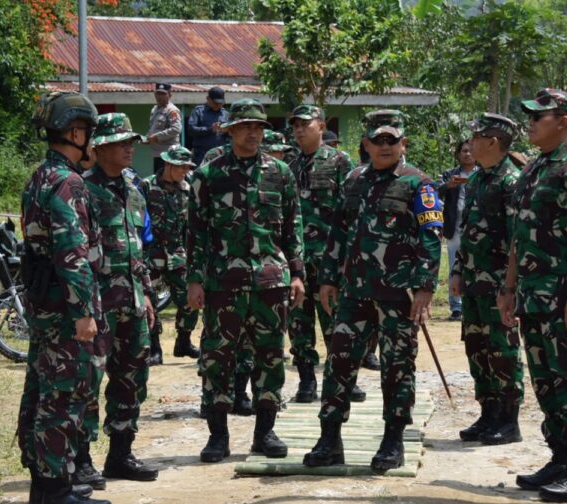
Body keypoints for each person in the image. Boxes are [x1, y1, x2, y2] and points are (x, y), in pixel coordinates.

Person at [303, 110, 443, 472]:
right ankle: (329, 439)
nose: (385, 146)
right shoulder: (353, 180)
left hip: (398, 296)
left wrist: (425, 286)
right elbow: (338, 232)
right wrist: (328, 278)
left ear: (403, 144)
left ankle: (392, 441)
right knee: (339, 362)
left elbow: (431, 238)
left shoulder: (418, 183)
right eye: (378, 140)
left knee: (397, 367)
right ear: (365, 144)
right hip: (354, 292)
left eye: (391, 140)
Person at [498, 89, 567, 503]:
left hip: (565, 297)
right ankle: (560, 459)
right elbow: (519, 234)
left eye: (538, 117)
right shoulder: (535, 167)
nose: (530, 123)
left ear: (562, 121)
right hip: (533, 296)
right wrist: (509, 287)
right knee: (545, 382)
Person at [186, 98, 306, 463]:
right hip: (223, 283)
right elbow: (196, 231)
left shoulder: (280, 172)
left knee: (270, 356)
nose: (253, 133)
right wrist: (194, 280)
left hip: (271, 282)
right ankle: (218, 436)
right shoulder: (209, 174)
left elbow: (293, 226)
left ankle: (264, 432)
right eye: (245, 127)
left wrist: (298, 274)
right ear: (230, 130)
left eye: (258, 127)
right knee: (217, 358)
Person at [18, 91, 111, 504]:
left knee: (40, 393)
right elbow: (71, 253)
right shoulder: (68, 182)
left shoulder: (40, 176)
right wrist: (84, 312)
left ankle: (43, 487)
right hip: (64, 309)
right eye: (89, 133)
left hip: (45, 304)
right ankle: (56, 493)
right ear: (75, 133)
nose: (93, 142)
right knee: (63, 396)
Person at [80, 113, 160, 484]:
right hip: (98, 305)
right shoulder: (82, 190)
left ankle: (120, 455)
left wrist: (146, 294)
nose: (129, 148)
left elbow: (137, 248)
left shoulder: (133, 187)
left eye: (131, 142)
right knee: (88, 380)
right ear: (99, 148)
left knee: (131, 378)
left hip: (132, 301)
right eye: (121, 142)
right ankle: (81, 459)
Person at [286, 104, 370, 404]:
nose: (299, 130)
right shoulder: (289, 167)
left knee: (337, 322)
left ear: (321, 126)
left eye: (305, 124)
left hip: (330, 259)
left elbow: (352, 212)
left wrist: (348, 257)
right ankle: (307, 379)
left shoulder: (339, 162)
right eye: (295, 125)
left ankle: (343, 379)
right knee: (299, 323)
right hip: (298, 259)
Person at [450, 113, 524, 446]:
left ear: (493, 141)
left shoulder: (512, 181)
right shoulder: (478, 179)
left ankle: (508, 420)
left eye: (476, 137)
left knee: (502, 349)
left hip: (497, 284)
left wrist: (510, 287)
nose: (470, 143)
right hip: (473, 281)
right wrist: (457, 270)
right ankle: (488, 412)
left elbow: (516, 239)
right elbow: (467, 231)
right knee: (477, 347)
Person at [140, 144, 201, 366]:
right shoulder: (146, 186)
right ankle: (154, 347)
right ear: (168, 164)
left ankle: (183, 341)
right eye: (181, 166)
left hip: (177, 253)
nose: (185, 171)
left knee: (189, 297)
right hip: (152, 253)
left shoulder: (188, 188)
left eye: (187, 167)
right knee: (152, 300)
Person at [438, 141, 479, 321]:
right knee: (454, 265)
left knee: (476, 265)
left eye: (470, 151)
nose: (467, 154)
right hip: (454, 227)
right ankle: (456, 307)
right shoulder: (450, 174)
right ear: (458, 154)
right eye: (464, 151)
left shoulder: (482, 173)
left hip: (477, 228)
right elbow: (435, 191)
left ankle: (473, 302)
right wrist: (448, 185)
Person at [187, 87, 229, 167]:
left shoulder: (225, 114)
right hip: (201, 155)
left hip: (220, 155)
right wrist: (210, 129)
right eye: (215, 103)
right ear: (208, 99)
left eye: (220, 103)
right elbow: (191, 130)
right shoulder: (198, 111)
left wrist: (227, 131)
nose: (218, 105)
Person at [147, 83, 182, 174]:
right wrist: (148, 138)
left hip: (168, 154)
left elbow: (176, 129)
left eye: (163, 94)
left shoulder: (172, 110)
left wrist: (156, 137)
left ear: (170, 95)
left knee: (166, 179)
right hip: (157, 153)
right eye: (158, 93)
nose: (160, 96)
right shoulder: (155, 109)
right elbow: (153, 128)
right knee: (158, 179)